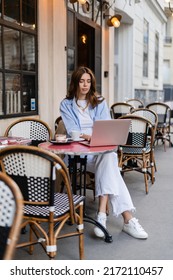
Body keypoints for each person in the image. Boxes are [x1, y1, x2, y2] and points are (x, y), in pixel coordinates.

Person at [60, 66, 148, 239]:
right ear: (75, 82)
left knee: (108, 157)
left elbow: (106, 128)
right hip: (80, 155)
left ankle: (101, 215)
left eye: (88, 81)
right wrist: (90, 136)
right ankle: (128, 220)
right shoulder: (66, 104)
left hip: (100, 152)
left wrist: (94, 138)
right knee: (111, 164)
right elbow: (73, 131)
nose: (85, 85)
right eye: (81, 81)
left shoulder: (99, 102)